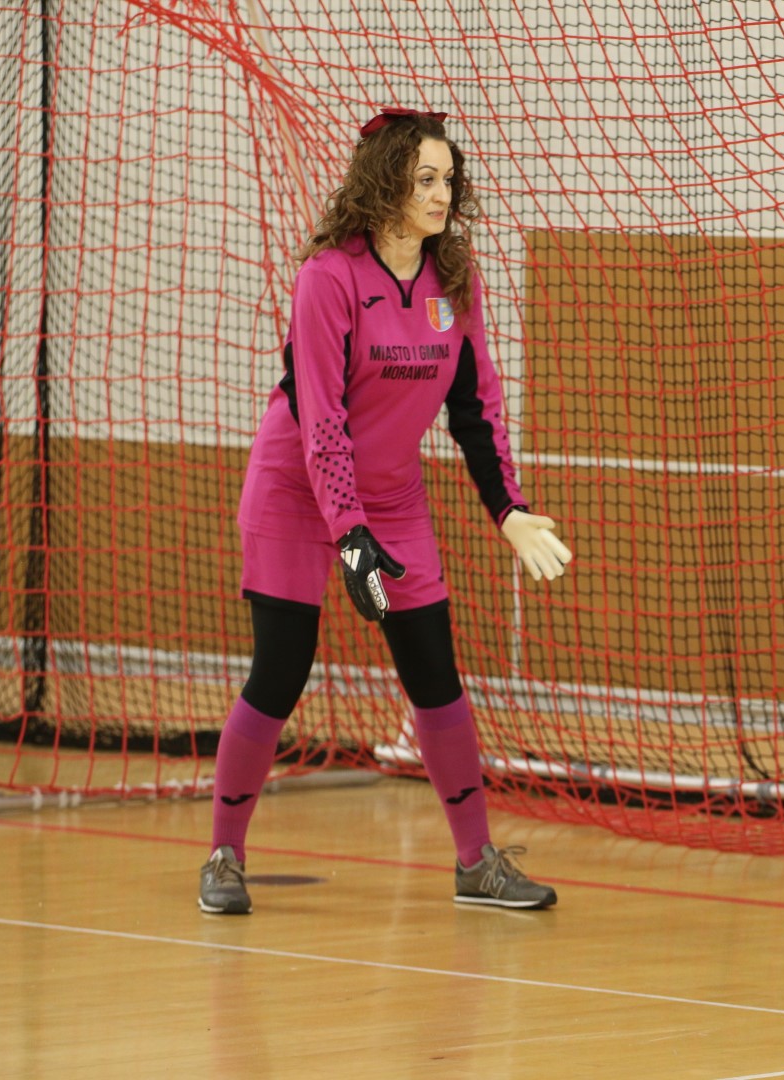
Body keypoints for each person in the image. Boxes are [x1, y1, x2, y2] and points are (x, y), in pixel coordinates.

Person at [198, 107, 573, 915]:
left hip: (393, 497)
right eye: (425, 179)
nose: (442, 195)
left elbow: (477, 409)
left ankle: (476, 862)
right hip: (296, 492)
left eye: (448, 180)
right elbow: (322, 421)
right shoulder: (329, 276)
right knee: (281, 672)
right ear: (385, 183)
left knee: (435, 675)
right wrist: (349, 534)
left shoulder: (454, 281)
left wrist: (508, 510)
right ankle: (225, 855)